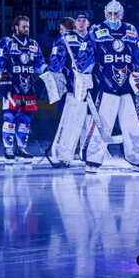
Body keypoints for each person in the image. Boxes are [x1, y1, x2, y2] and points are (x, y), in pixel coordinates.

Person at [79, 0, 139, 172]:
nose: (113, 17)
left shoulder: (131, 30)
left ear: (122, 13)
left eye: (116, 14)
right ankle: (92, 159)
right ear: (105, 13)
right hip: (105, 86)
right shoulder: (96, 30)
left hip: (128, 87)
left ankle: (137, 157)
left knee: (132, 124)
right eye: (110, 14)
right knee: (100, 125)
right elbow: (85, 55)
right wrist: (83, 73)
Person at [0, 16, 44, 163]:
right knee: (10, 118)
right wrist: (3, 79)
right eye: (23, 26)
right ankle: (8, 149)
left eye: (27, 26)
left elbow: (40, 66)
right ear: (16, 27)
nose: (26, 29)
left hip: (28, 88)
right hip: (11, 87)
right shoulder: (7, 42)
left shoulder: (33, 44)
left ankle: (21, 148)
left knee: (26, 119)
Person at [47, 14, 94, 166]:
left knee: (88, 121)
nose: (81, 23)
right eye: (78, 20)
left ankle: (86, 153)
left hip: (91, 88)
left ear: (88, 23)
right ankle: (65, 155)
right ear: (75, 24)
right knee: (70, 122)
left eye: (84, 20)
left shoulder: (94, 39)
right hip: (72, 89)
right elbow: (54, 64)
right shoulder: (66, 38)